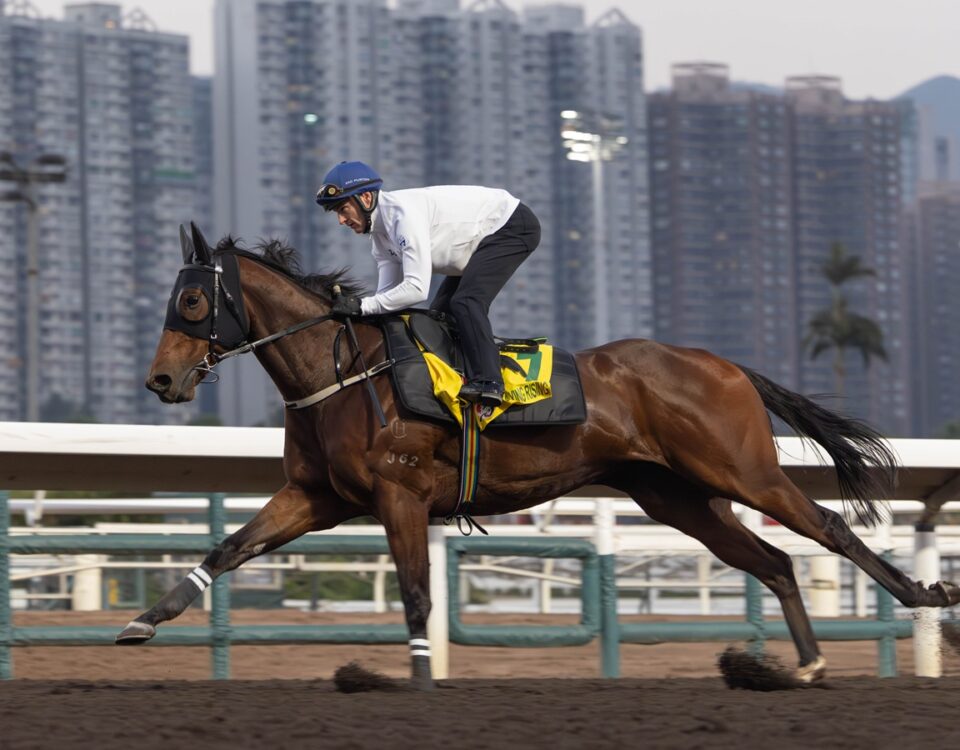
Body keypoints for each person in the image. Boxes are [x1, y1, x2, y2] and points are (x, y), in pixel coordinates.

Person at [316, 160, 541, 406]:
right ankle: (460, 377)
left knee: (466, 302)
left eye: (343, 209)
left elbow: (415, 289)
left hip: (511, 225)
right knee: (438, 317)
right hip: (476, 241)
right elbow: (387, 296)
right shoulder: (380, 239)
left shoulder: (403, 218)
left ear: (366, 198)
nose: (340, 220)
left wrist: (361, 306)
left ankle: (490, 382)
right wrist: (360, 312)